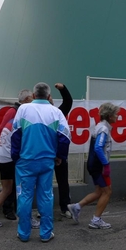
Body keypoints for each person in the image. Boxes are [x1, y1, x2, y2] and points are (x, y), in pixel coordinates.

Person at [11, 82, 71, 242]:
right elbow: (65, 137)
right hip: (47, 161)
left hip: (25, 161)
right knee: (45, 196)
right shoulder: (56, 112)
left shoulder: (23, 109)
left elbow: (15, 134)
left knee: (24, 196)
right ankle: (45, 233)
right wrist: (60, 156)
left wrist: (15, 157)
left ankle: (23, 233)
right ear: (49, 96)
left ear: (34, 95)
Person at [0, 89, 37, 228]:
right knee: (24, 189)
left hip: (2, 156)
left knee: (7, 189)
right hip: (10, 158)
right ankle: (28, 219)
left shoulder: (13, 117)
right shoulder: (20, 119)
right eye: (31, 99)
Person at [67, 102, 120, 229]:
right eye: (115, 114)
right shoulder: (104, 128)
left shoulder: (101, 126)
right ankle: (96, 220)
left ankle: (76, 207)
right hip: (99, 166)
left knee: (99, 191)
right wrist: (106, 165)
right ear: (109, 116)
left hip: (94, 165)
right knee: (107, 191)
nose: (117, 116)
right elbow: (98, 147)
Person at [50, 83, 73, 218]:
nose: (50, 101)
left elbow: (68, 101)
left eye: (51, 100)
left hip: (59, 154)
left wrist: (63, 88)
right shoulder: (34, 115)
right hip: (45, 154)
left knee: (63, 181)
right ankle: (44, 208)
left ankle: (65, 207)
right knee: (44, 182)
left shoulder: (58, 113)